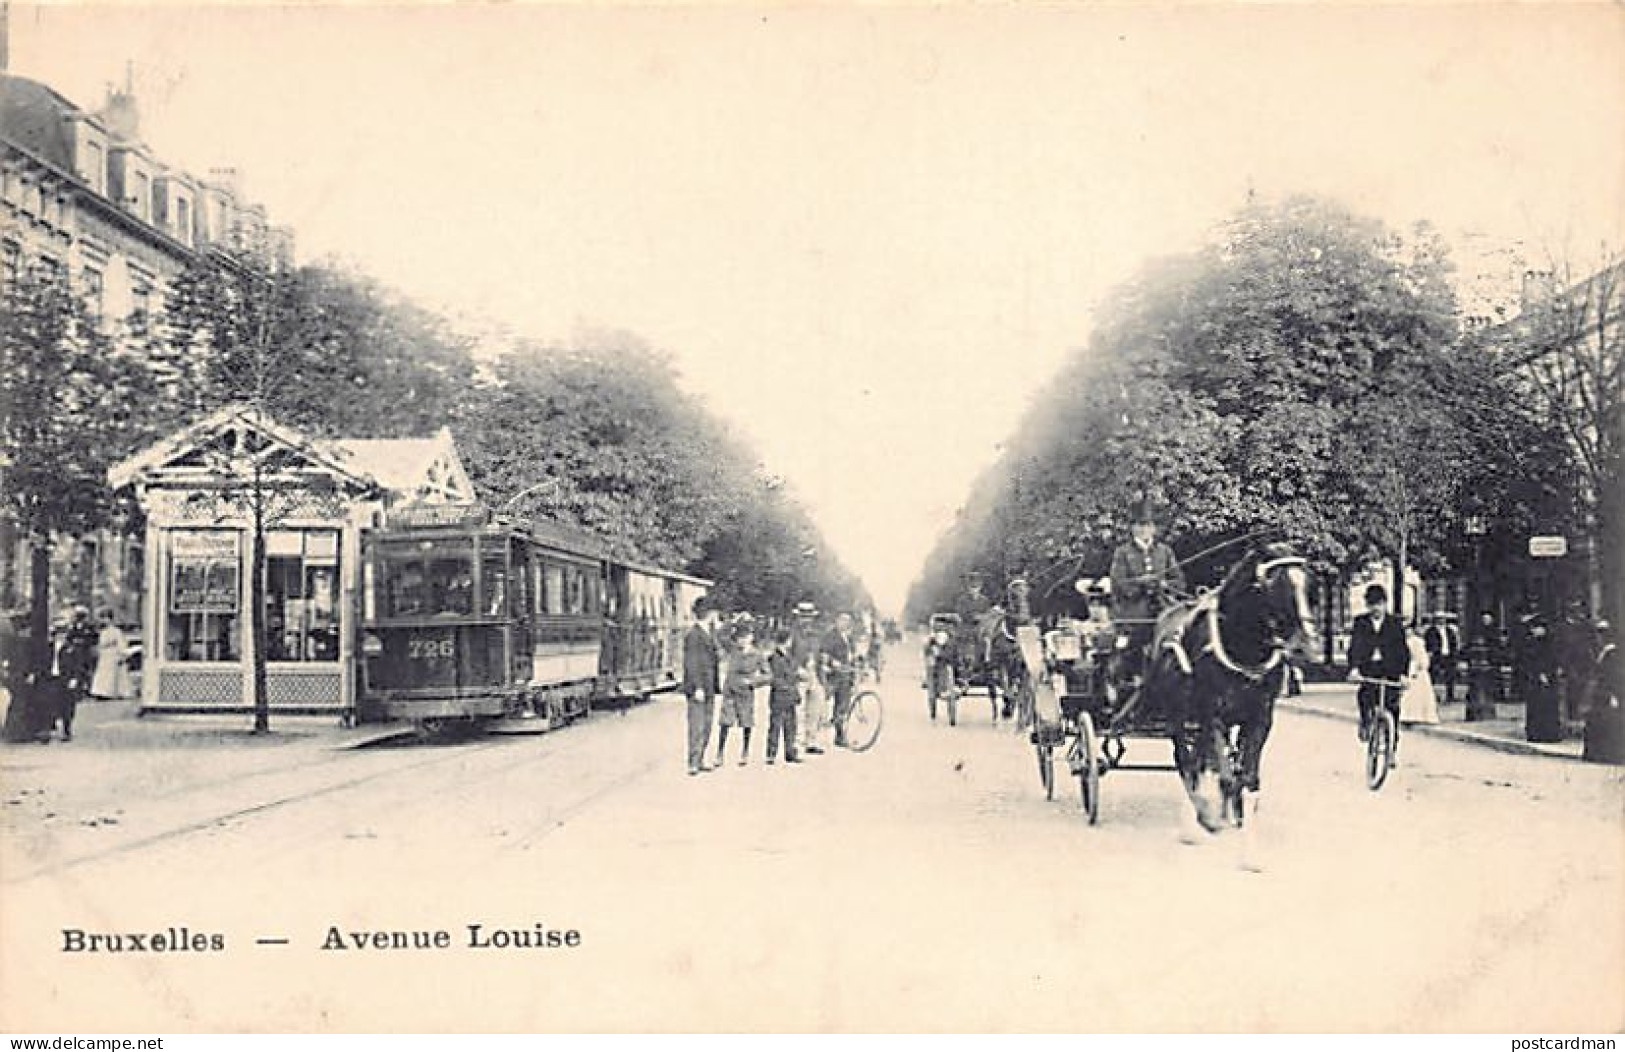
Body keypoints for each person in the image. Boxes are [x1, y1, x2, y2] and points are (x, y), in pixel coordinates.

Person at [1107, 505, 1186, 682]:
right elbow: (1119, 583)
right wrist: (1141, 584)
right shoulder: (1122, 553)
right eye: (1140, 525)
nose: (1144, 530)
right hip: (1134, 614)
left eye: (1148, 525)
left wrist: (1164, 585)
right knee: (1131, 645)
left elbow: (1179, 581)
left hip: (1164, 610)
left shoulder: (1164, 551)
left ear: (1154, 528)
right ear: (1132, 528)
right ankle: (1132, 678)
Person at [1347, 584, 1411, 757]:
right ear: (1367, 605)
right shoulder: (1361, 622)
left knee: (1393, 707)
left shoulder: (1394, 623)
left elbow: (1403, 651)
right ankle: (1365, 721)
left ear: (1385, 604)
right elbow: (1355, 647)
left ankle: (1392, 748)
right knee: (1365, 696)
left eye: (1379, 604)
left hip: (1391, 669)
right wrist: (1354, 669)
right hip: (1369, 668)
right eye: (1372, 604)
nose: (1376, 608)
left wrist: (1404, 675)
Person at [681, 597, 722, 776]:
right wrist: (697, 687)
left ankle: (700, 758)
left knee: (706, 724)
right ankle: (693, 762)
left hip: (709, 685)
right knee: (697, 725)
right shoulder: (694, 635)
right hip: (699, 687)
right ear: (709, 613)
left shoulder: (708, 633)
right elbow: (692, 663)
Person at [717, 621, 766, 766]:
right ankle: (719, 753)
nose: (742, 640)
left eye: (745, 637)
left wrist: (753, 682)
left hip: (745, 692)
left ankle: (745, 752)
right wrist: (732, 622)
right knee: (725, 722)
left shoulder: (757, 654)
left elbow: (768, 675)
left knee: (746, 722)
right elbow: (720, 635)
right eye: (739, 637)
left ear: (751, 637)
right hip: (730, 690)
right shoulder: (732, 650)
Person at [53, 606, 97, 742]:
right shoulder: (49, 647)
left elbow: (77, 664)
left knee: (67, 704)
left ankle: (67, 729)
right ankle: (49, 727)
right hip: (51, 677)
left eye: (62, 632)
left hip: (67, 677)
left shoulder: (71, 649)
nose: (60, 635)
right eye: (57, 632)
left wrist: (75, 678)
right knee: (52, 702)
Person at [820, 611, 860, 748]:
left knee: (842, 707)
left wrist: (855, 668)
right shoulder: (830, 636)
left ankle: (840, 736)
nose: (844, 623)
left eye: (847, 621)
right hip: (833, 676)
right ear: (836, 621)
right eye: (842, 620)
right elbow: (824, 654)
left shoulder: (849, 638)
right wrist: (831, 663)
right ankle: (811, 736)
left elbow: (853, 655)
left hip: (846, 676)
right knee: (822, 704)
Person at [791, 602, 826, 756]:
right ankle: (797, 743)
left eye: (809, 617)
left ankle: (811, 741)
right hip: (798, 675)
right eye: (803, 616)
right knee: (799, 710)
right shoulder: (792, 633)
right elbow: (785, 654)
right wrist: (796, 669)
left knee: (815, 709)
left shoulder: (817, 635)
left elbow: (820, 653)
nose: (806, 620)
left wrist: (822, 667)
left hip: (814, 673)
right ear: (798, 617)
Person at [765, 627, 802, 765]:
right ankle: (771, 754)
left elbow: (792, 675)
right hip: (780, 696)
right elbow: (776, 678)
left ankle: (789, 752)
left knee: (791, 725)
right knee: (776, 725)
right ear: (787, 641)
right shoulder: (775, 658)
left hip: (788, 695)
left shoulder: (787, 657)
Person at [1399, 619, 1440, 725]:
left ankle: (1421, 715)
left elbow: (1422, 659)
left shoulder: (1417, 642)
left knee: (1419, 692)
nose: (1406, 632)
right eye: (1404, 629)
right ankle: (1408, 715)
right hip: (1408, 669)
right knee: (1408, 693)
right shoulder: (1401, 642)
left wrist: (1419, 666)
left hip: (1417, 670)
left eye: (1408, 629)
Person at [90, 609, 132, 700]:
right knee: (102, 674)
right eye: (102, 618)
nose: (103, 621)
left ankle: (110, 693)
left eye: (105, 618)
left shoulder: (116, 631)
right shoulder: (103, 632)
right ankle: (101, 692)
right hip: (104, 655)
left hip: (113, 655)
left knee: (111, 675)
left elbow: (121, 644)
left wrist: (122, 654)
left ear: (110, 619)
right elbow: (100, 644)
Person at [1423, 613, 1462, 704]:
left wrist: (1455, 654)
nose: (1441, 621)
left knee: (1450, 674)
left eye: (1443, 619)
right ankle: (1431, 694)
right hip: (1437, 656)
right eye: (1439, 619)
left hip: (1448, 656)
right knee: (1433, 675)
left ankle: (1450, 695)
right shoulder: (1430, 631)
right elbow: (1428, 643)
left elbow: (1453, 643)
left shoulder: (1449, 630)